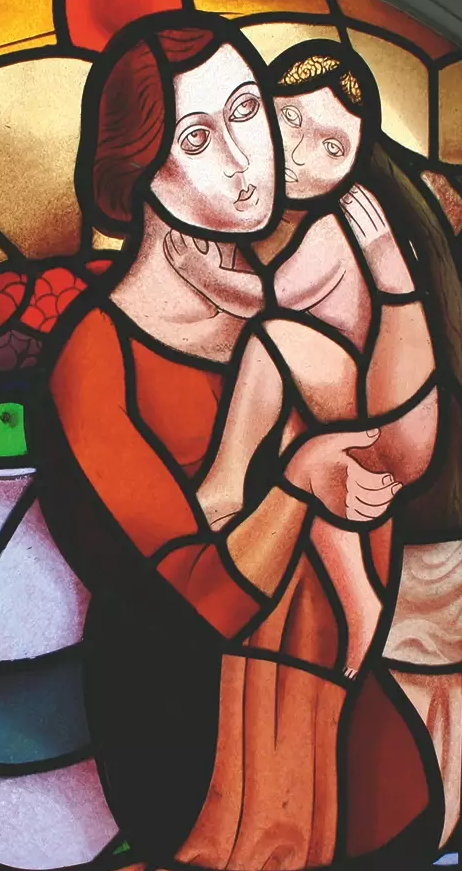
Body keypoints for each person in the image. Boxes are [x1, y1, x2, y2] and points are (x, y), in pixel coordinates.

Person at [0, 15, 441, 871]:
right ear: (135, 176)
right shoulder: (97, 357)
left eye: (246, 112)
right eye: (193, 139)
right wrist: (299, 482)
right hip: (186, 726)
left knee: (395, 822)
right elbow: (209, 600)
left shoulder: (293, 289)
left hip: (336, 700)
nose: (242, 161)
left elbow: (398, 454)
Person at [166, 41, 438, 677]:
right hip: (341, 403)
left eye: (333, 147)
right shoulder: (275, 221)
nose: (301, 152)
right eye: (289, 119)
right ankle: (362, 608)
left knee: (274, 340)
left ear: (353, 169)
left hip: (384, 413)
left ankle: (224, 484)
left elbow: (264, 303)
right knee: (299, 453)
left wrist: (201, 275)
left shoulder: (326, 231)